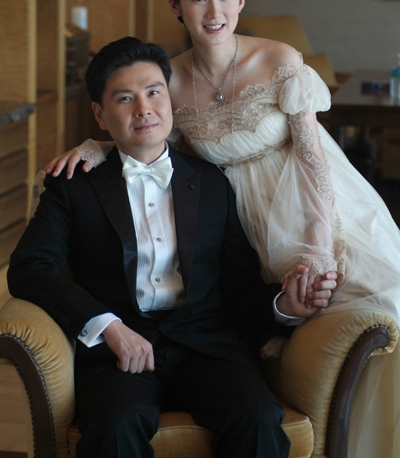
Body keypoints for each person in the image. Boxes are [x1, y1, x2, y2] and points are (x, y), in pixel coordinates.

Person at [46, 0, 400, 457]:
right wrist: (94, 146)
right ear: (176, 5)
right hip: (238, 210)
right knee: (245, 318)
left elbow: (312, 157)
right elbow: (146, 127)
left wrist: (319, 245)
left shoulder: (278, 59)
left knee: (367, 316)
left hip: (305, 204)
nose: (214, 11)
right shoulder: (168, 77)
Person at [8, 36, 337, 458]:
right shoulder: (73, 186)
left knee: (256, 417)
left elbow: (237, 287)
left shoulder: (213, 182)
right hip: (117, 352)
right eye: (124, 98)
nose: (143, 109)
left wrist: (283, 306)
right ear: (100, 115)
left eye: (153, 93)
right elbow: (30, 268)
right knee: (115, 426)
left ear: (170, 100)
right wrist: (107, 327)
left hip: (207, 348)